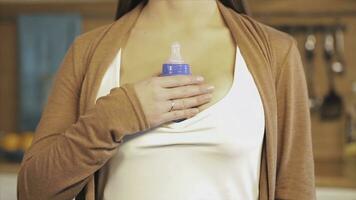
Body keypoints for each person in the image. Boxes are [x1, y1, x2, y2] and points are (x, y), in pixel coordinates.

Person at [17, 0, 316, 199]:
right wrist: (118, 115)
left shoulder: (276, 54)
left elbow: (296, 189)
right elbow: (32, 191)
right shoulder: (88, 53)